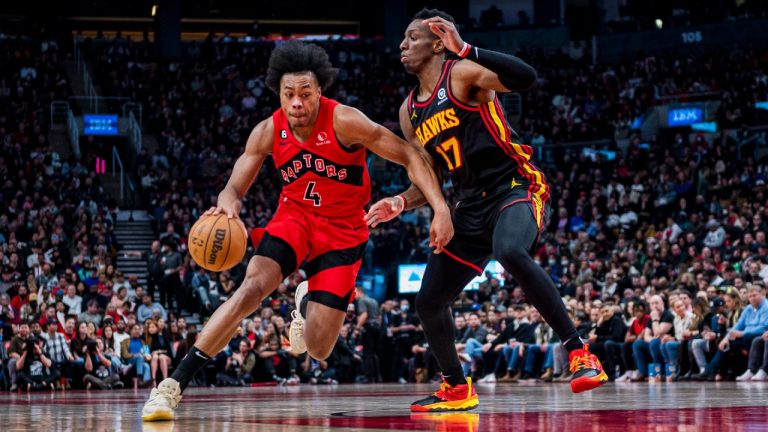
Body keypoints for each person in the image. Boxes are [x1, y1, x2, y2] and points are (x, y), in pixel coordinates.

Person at [142, 40, 452, 421]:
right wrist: (227, 205)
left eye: (305, 94)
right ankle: (170, 387)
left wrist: (437, 207)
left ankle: (305, 303)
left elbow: (409, 155)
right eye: (289, 95)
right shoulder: (267, 131)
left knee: (319, 348)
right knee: (250, 291)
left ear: (319, 91)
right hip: (295, 219)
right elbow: (234, 187)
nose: (297, 104)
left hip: (343, 232)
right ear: (279, 94)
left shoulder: (346, 121)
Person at [365, 8, 606, 412]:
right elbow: (428, 179)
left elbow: (526, 78)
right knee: (428, 301)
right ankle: (457, 388)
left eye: (412, 37)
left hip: (514, 184)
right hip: (469, 204)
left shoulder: (461, 73)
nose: (402, 45)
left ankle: (581, 353)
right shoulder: (409, 112)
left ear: (438, 41)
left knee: (510, 251)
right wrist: (400, 202)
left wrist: (468, 49)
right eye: (403, 38)